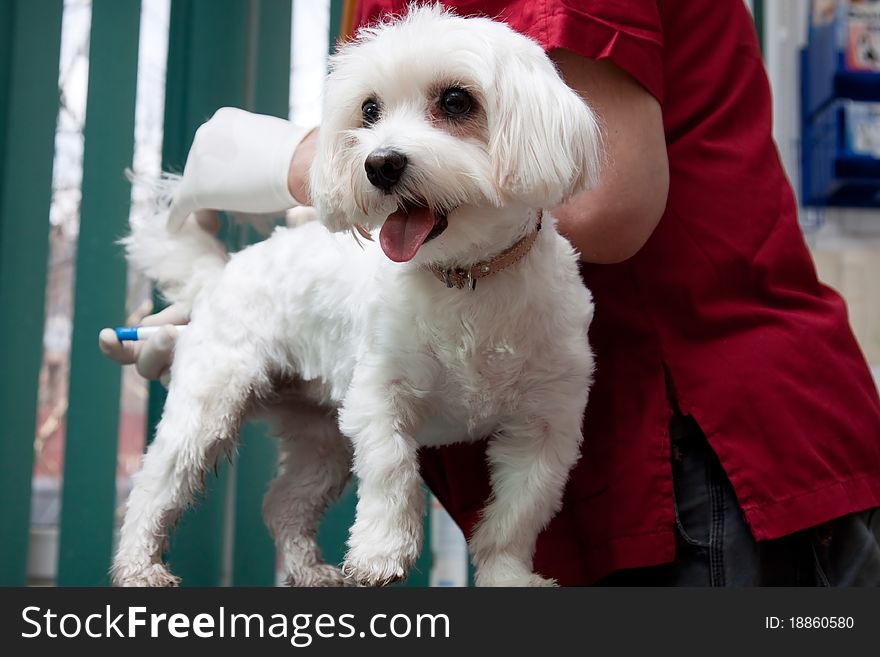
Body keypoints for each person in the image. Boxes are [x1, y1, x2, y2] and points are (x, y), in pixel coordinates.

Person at [102, 0, 880, 585]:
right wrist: (247, 307)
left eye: (452, 104)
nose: (387, 143)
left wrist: (302, 159)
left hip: (708, 456)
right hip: (601, 496)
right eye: (371, 115)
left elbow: (603, 201)